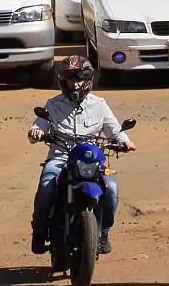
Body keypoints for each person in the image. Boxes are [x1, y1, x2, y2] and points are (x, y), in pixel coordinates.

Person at [29, 56, 133, 256]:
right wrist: (36, 132)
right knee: (46, 185)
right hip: (60, 158)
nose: (75, 83)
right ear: (63, 80)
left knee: (111, 188)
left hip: (91, 161)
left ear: (88, 79)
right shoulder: (53, 105)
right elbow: (38, 126)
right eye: (70, 78)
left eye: (80, 78)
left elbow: (115, 130)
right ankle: (39, 231)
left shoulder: (99, 105)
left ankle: (103, 233)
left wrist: (126, 142)